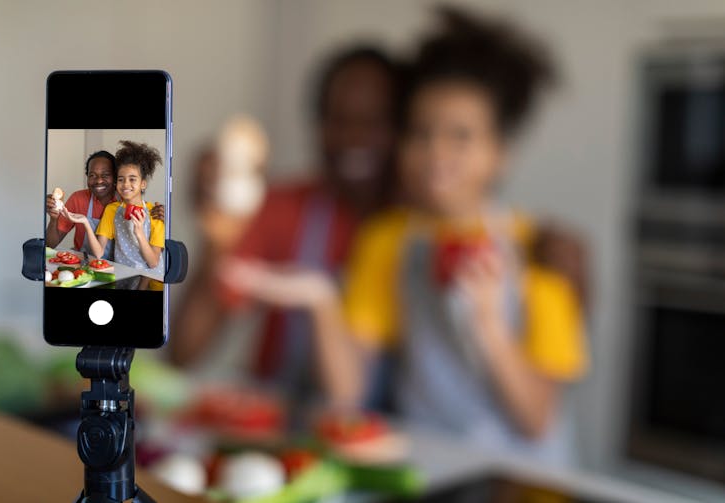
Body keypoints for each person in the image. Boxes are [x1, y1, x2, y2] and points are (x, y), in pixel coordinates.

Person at [227, 7, 589, 465]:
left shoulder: (541, 253)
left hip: (525, 478)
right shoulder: (388, 241)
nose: (437, 152)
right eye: (421, 133)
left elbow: (537, 420)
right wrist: (321, 300)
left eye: (461, 136)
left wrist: (490, 327)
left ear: (501, 154)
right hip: (430, 466)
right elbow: (347, 390)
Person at [169, 46, 402, 397]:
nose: (354, 138)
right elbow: (184, 354)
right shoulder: (281, 209)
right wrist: (216, 238)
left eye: (373, 123)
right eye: (339, 120)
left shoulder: (416, 231)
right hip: (284, 426)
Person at [65, 141, 165, 275]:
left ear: (143, 184)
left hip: (151, 279)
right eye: (121, 179)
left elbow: (153, 263)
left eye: (132, 179)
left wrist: (139, 233)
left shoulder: (155, 213)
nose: (125, 184)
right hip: (123, 275)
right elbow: (99, 252)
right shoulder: (112, 210)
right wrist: (85, 222)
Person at [45, 150, 164, 257]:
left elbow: (153, 256)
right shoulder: (78, 199)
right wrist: (53, 219)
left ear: (115, 178)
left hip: (120, 268)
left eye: (106, 175)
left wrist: (161, 220)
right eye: (92, 175)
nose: (99, 180)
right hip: (85, 263)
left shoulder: (127, 203)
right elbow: (50, 244)